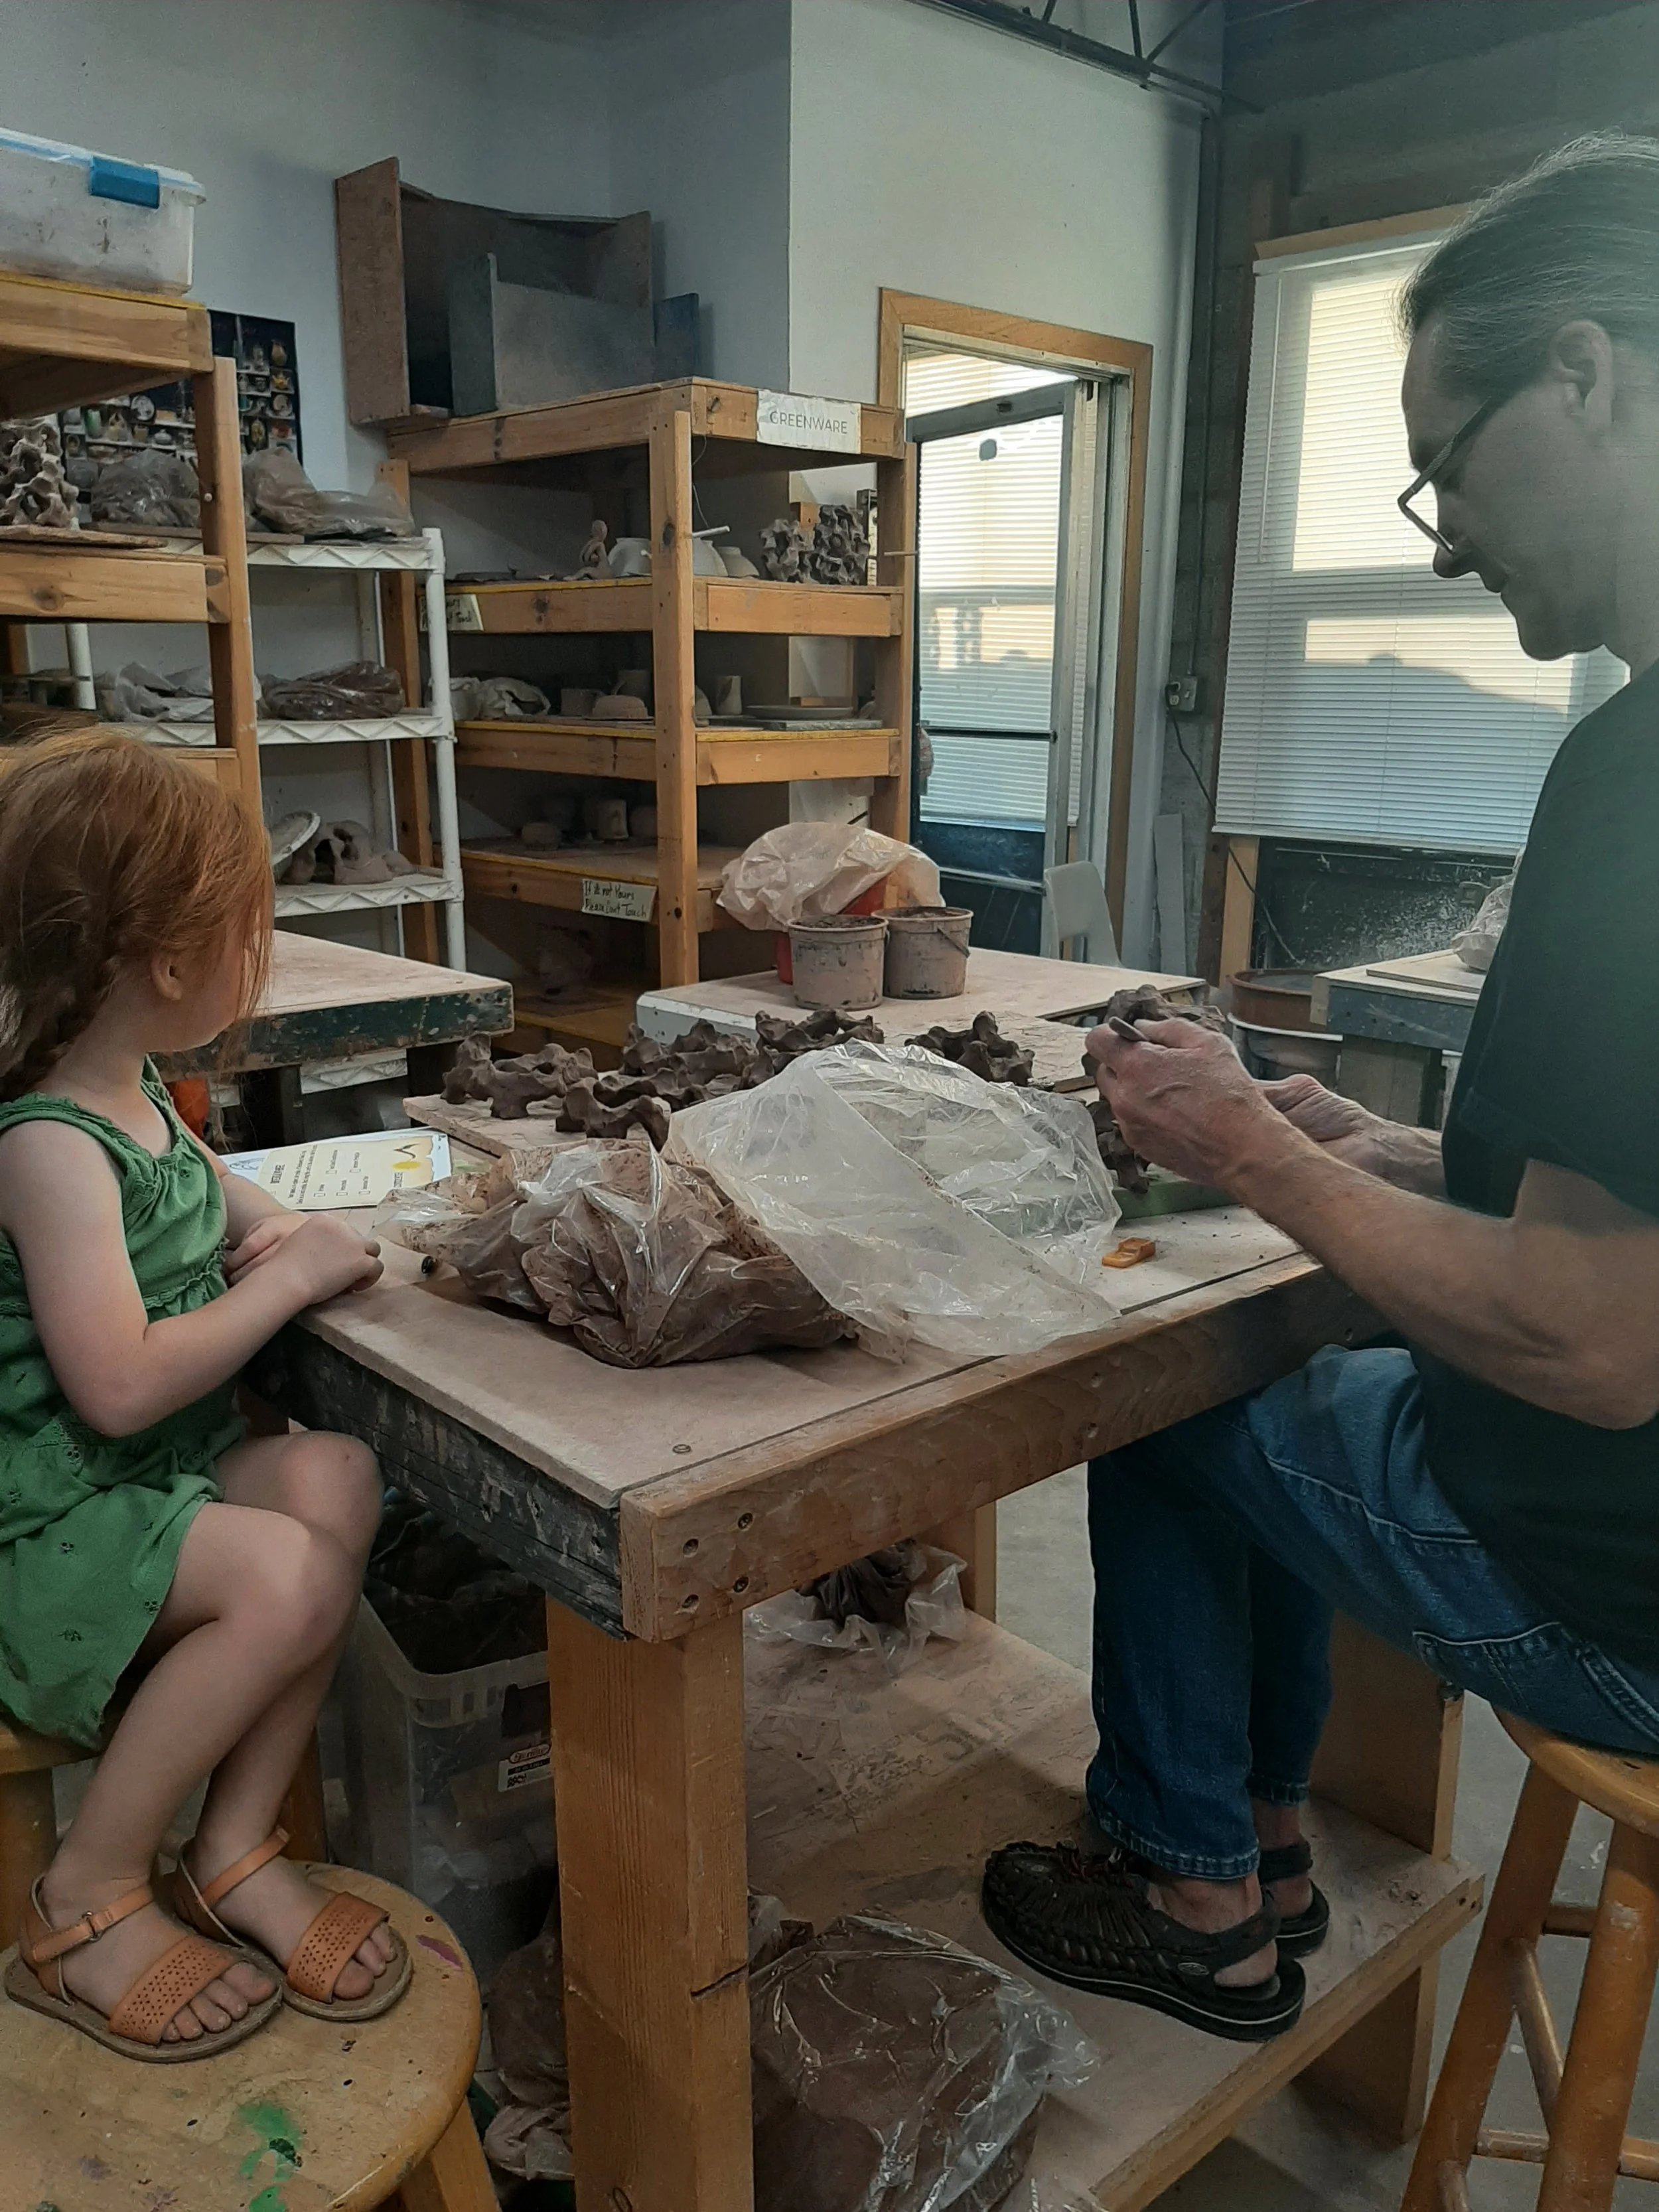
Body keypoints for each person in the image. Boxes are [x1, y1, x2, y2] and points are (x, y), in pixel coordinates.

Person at [983, 133, 1659, 2041]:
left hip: (1617, 1594)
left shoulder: (1637, 783)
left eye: (1447, 462)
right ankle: (1260, 1831)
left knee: (1176, 1392)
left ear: (1589, 375)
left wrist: (1243, 1156)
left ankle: (1191, 1876)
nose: (1442, 537)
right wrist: (1393, 1148)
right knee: (1285, 1372)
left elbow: (1594, 1343)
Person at [0, 731, 403, 2059]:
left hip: (130, 1484)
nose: (253, 958)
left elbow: (207, 1186)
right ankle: (89, 1892)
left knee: (336, 1477)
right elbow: (115, 1388)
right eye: (246, 931)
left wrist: (279, 1222)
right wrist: (282, 1288)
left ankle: (231, 1844)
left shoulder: (131, 1092)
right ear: (170, 964)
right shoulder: (50, 1143)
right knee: (283, 1576)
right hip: (47, 1522)